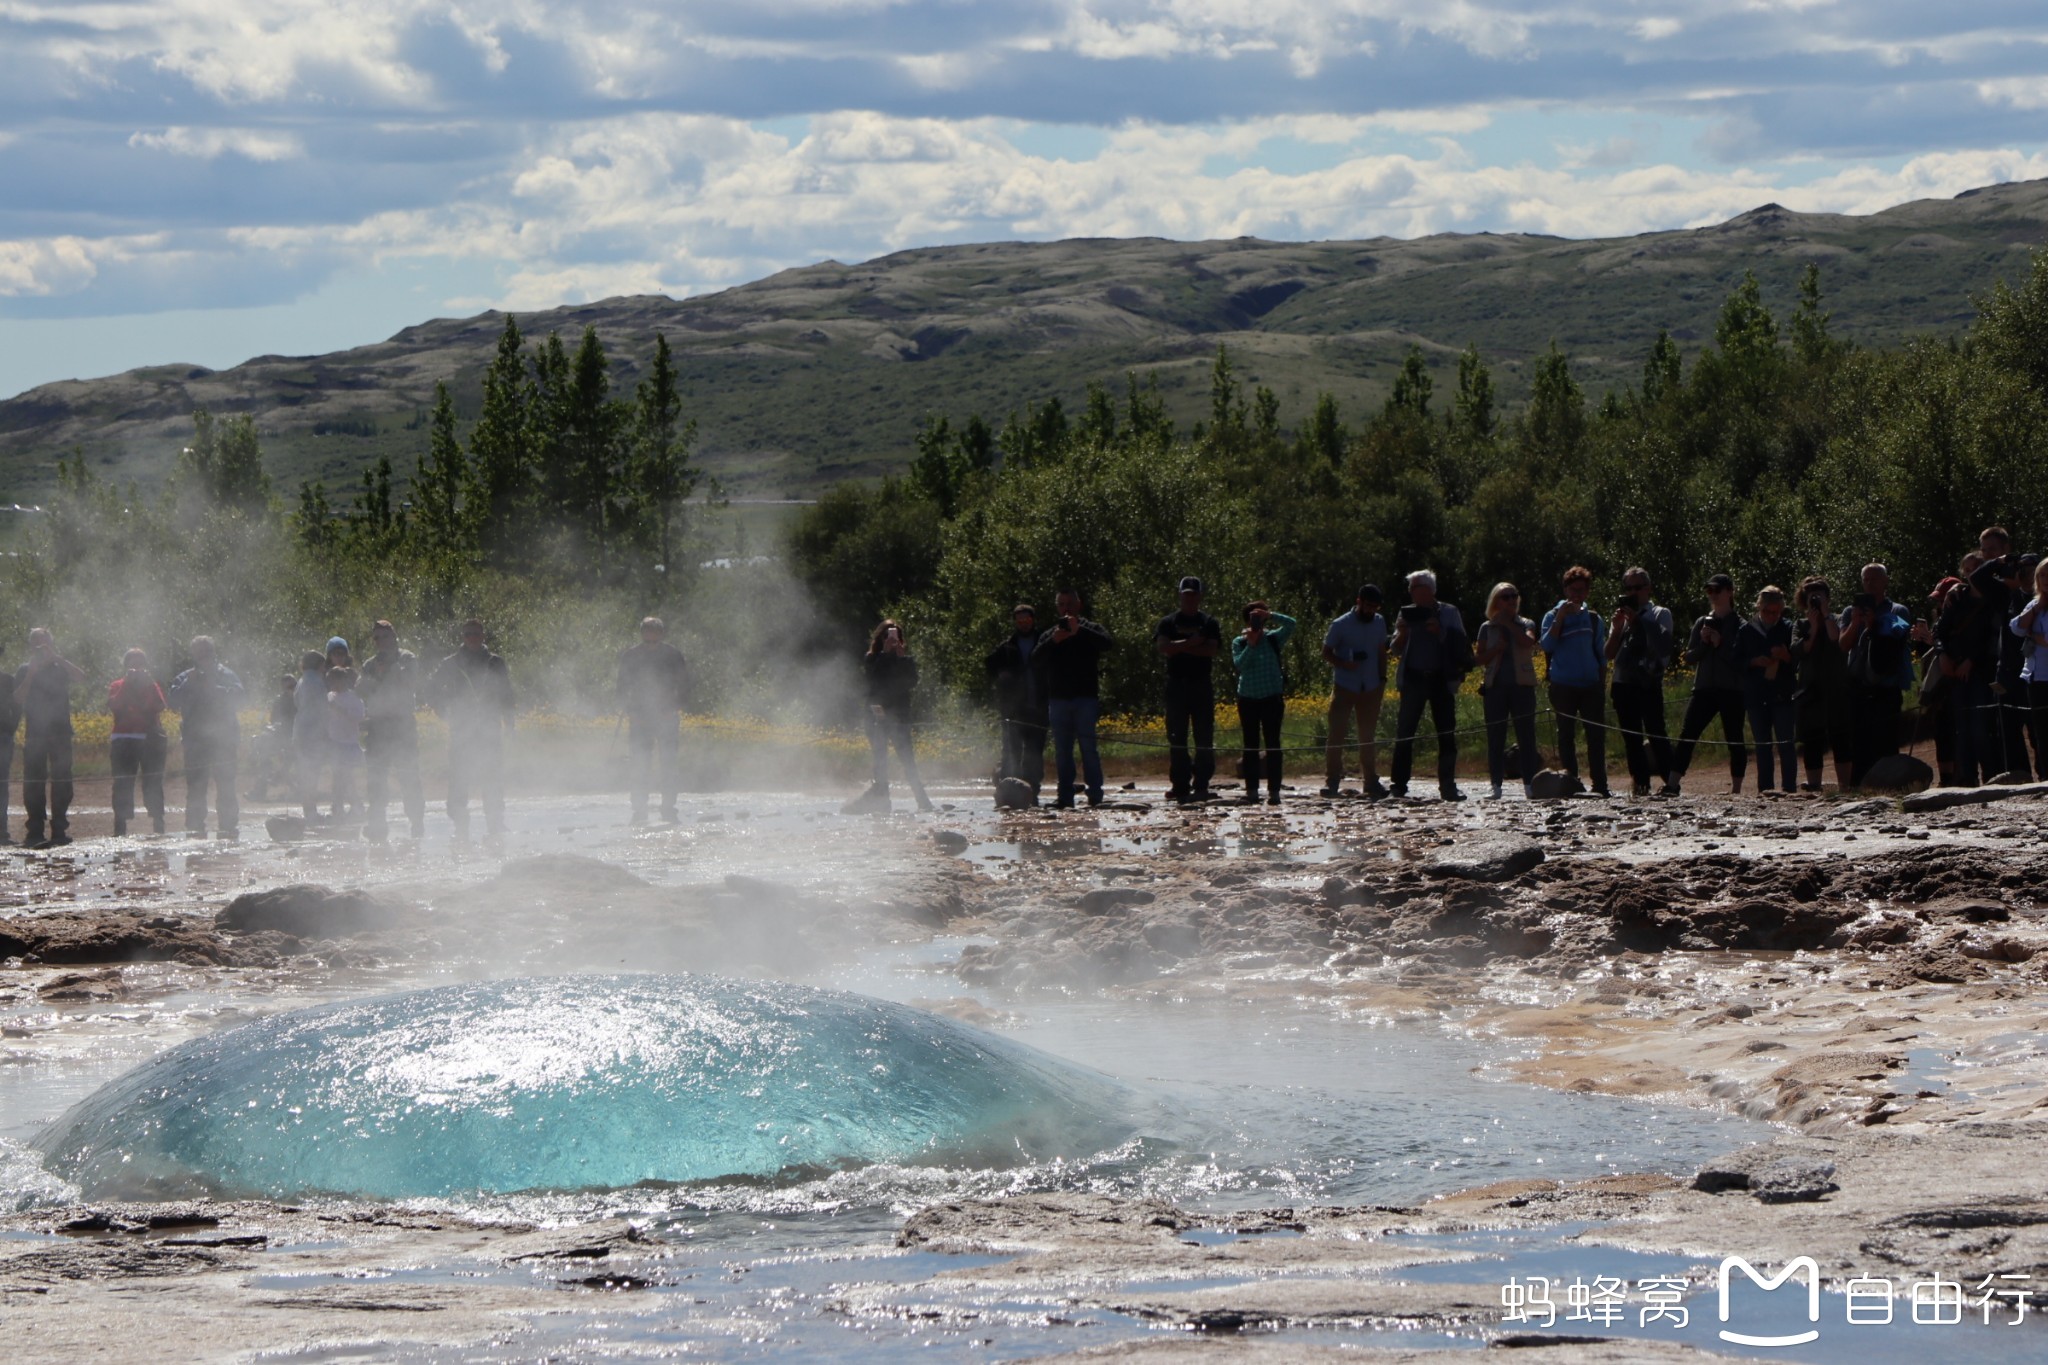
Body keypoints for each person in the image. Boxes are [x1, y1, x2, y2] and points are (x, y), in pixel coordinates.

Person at [428, 619, 515, 843]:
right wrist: (443, 712)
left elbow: (507, 694)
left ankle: (495, 823)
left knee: (492, 775)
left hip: (489, 727)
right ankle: (460, 825)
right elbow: (432, 689)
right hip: (462, 728)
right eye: (468, 635)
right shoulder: (452, 663)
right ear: (463, 637)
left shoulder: (495, 663)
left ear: (483, 636)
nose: (473, 638)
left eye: (476, 634)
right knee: (459, 776)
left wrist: (510, 723)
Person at [1387, 570, 1467, 801]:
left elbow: (1461, 645)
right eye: (1410, 588)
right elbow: (1395, 648)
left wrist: (1439, 631)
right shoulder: (1407, 613)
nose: (1411, 592)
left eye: (1415, 588)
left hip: (1441, 677)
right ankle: (1398, 786)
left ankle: (1448, 786)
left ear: (1428, 590)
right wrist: (1402, 632)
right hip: (1413, 677)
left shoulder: (1449, 612)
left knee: (1446, 732)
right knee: (1404, 732)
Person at [1031, 588, 1113, 809]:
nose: (1065, 608)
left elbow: (1107, 643)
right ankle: (1065, 797)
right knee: (1062, 751)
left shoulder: (1090, 628)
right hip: (1058, 700)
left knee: (1089, 748)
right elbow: (1035, 659)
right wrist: (1053, 642)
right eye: (1061, 604)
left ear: (1079, 605)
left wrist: (1080, 631)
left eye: (1069, 603)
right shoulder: (1051, 633)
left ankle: (1095, 795)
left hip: (1085, 698)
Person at [1669, 575, 1747, 796]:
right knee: (1687, 734)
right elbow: (1689, 657)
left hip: (1732, 690)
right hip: (1704, 689)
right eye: (1709, 590)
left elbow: (1740, 661)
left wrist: (1720, 644)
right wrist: (1704, 643)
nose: (1713, 594)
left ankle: (1737, 789)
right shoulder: (1702, 622)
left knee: (1734, 738)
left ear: (1730, 592)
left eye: (1717, 590)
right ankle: (1672, 784)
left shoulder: (1740, 625)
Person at [1839, 563, 1915, 786]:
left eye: (1875, 579)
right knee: (1859, 742)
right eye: (1866, 580)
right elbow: (1843, 645)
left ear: (1885, 582)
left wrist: (1874, 625)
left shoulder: (1897, 611)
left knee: (1886, 740)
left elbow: (1897, 641)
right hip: (1858, 685)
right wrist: (1856, 622)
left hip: (1886, 685)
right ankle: (1859, 787)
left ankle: (1889, 786)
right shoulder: (1849, 611)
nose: (1870, 584)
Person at [1539, 565, 1610, 796]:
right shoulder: (1551, 616)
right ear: (1565, 590)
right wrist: (1560, 618)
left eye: (1581, 590)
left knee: (1596, 736)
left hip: (1590, 685)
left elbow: (1601, 654)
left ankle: (1600, 785)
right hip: (1563, 685)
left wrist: (1601, 682)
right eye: (1573, 589)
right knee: (1566, 735)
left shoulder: (1593, 618)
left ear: (1587, 592)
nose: (1577, 594)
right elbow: (1546, 645)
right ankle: (1571, 783)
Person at [848, 619, 932, 814]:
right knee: (880, 759)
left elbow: (911, 682)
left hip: (899, 716)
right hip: (876, 716)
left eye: (896, 637)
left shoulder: (906, 660)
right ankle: (882, 800)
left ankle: (923, 801)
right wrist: (885, 654)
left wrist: (901, 659)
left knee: (907, 759)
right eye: (888, 637)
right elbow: (874, 680)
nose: (893, 640)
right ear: (881, 638)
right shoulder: (872, 658)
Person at [168, 635, 246, 840]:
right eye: (199, 652)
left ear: (213, 652)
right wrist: (189, 684)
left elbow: (240, 698)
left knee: (226, 785)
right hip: (196, 741)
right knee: (195, 786)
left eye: (206, 651)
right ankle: (194, 829)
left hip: (224, 739)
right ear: (193, 654)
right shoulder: (185, 677)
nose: (203, 656)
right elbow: (173, 701)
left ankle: (228, 828)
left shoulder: (227, 675)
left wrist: (215, 688)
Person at [1607, 567, 1676, 797]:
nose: (1633, 593)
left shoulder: (1659, 613)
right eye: (1628, 589)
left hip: (1647, 682)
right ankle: (1640, 784)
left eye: (1637, 588)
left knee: (1656, 731)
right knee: (1631, 736)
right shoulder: (1622, 618)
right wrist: (1617, 629)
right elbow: (1608, 653)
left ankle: (1671, 782)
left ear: (1648, 588)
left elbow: (1662, 643)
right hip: (1623, 683)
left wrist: (1638, 622)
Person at [1154, 577, 1223, 803]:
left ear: (1200, 596)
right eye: (1186, 593)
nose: (1190, 597)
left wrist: (1181, 647)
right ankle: (1180, 785)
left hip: (1201, 684)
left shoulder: (1209, 622)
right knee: (1177, 737)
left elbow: (1211, 650)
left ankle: (1201, 783)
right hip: (1176, 685)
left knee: (1204, 736)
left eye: (1194, 593)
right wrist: (1192, 643)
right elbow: (1164, 647)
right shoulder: (1168, 622)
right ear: (1180, 595)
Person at [16, 628, 85, 848]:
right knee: (33, 783)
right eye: (36, 644)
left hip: (60, 731)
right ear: (30, 647)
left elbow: (82, 678)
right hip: (35, 733)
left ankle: (59, 829)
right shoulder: (25, 669)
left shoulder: (60, 667)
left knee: (62, 781)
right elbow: (17, 698)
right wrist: (31, 674)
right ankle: (35, 829)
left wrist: (57, 658)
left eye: (44, 644)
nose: (40, 648)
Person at [616, 616, 689, 824]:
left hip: (666, 715)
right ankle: (639, 805)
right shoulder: (631, 656)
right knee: (640, 762)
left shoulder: (673, 655)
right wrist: (631, 711)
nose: (651, 642)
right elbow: (621, 687)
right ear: (642, 634)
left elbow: (684, 685)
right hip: (640, 717)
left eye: (654, 637)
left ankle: (668, 804)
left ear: (661, 635)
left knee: (668, 761)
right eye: (647, 637)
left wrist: (674, 708)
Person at [359, 621, 426, 840]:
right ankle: (377, 824)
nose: (381, 642)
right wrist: (376, 676)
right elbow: (361, 687)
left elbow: (408, 680)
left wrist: (388, 670)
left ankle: (417, 822)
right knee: (376, 777)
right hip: (378, 727)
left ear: (394, 637)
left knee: (408, 775)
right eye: (377, 638)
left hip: (401, 725)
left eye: (385, 637)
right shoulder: (370, 663)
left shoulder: (407, 658)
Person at [1321, 585, 1389, 799]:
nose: (1371, 610)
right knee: (1336, 735)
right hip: (1345, 685)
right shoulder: (1340, 624)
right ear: (1359, 601)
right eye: (1368, 605)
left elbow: (1381, 652)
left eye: (1375, 607)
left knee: (1367, 736)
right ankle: (1332, 780)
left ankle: (1370, 781)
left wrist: (1382, 679)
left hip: (1371, 686)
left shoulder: (1379, 622)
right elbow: (1326, 652)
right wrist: (1343, 663)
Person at [1475, 583, 1540, 799]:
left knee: (1526, 736)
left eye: (1514, 595)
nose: (1511, 600)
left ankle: (1530, 784)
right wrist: (1496, 649)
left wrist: (1510, 625)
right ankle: (1495, 785)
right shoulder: (1486, 628)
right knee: (1495, 736)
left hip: (1522, 686)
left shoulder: (1526, 623)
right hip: (1495, 687)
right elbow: (1479, 658)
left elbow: (1528, 642)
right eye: (1505, 597)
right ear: (1496, 601)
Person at [1230, 600, 1296, 804]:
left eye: (1259, 617)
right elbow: (1240, 664)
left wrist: (1271, 615)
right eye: (1253, 618)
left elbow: (1292, 624)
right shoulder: (1239, 642)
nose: (1256, 621)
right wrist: (1251, 643)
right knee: (1250, 745)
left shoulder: (1273, 638)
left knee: (1273, 744)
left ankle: (1274, 791)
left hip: (1271, 698)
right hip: (1248, 699)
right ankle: (1251, 791)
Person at [1792, 577, 1852, 791]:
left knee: (1840, 736)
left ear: (1828, 598)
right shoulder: (1800, 624)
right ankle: (1814, 784)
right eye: (1811, 597)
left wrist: (1825, 617)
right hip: (1810, 688)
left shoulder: (1838, 618)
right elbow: (1801, 650)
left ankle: (1845, 785)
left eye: (1819, 596)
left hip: (1836, 686)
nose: (1815, 600)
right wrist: (1814, 626)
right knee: (1812, 739)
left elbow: (1836, 638)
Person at [1738, 587, 1798, 793]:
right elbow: (1736, 661)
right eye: (1768, 612)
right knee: (1762, 745)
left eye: (1776, 612)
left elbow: (1798, 660)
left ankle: (1789, 788)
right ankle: (1766, 789)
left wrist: (1786, 656)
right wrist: (1754, 661)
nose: (1772, 616)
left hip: (1782, 693)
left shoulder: (1789, 628)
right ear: (1759, 609)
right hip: (1756, 695)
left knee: (1786, 743)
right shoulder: (1746, 630)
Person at [985, 604, 1047, 805]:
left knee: (1034, 753)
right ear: (1015, 622)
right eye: (1019, 620)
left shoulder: (1044, 642)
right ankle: (1008, 795)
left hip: (1038, 706)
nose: (1023, 623)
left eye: (1026, 619)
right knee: (1011, 752)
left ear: (1033, 619)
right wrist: (1003, 676)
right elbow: (988, 665)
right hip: (1013, 709)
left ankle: (1032, 794)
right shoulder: (1007, 646)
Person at [107, 648, 168, 837]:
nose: (136, 667)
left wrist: (149, 684)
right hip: (124, 738)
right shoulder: (117, 684)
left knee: (153, 780)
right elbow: (114, 705)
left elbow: (160, 706)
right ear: (126, 667)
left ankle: (158, 822)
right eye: (132, 664)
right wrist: (127, 684)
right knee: (122, 782)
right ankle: (120, 825)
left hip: (150, 738)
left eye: (140, 664)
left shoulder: (151, 684)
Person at [2010, 559, 2048, 775]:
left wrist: (2032, 634)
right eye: (2042, 575)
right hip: (2035, 677)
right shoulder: (2034, 604)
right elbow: (2016, 627)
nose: (2046, 580)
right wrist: (2034, 612)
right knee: (2040, 732)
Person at [244, 672, 299, 802]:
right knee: (264, 752)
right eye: (287, 687)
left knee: (294, 758)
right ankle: (260, 790)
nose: (290, 690)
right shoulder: (279, 700)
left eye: (292, 686)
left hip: (298, 737)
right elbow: (274, 720)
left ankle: (295, 785)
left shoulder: (301, 699)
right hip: (282, 736)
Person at [325, 665, 366, 821]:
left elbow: (358, 719)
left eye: (335, 680)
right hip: (334, 743)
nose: (333, 684)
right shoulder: (329, 696)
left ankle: (355, 806)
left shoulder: (354, 699)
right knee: (337, 777)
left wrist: (339, 710)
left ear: (343, 680)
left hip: (348, 743)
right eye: (331, 681)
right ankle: (338, 808)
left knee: (346, 777)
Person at [292, 650, 329, 819]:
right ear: (320, 665)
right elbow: (323, 706)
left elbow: (297, 702)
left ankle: (308, 810)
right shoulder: (317, 681)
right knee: (312, 772)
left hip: (300, 728)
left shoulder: (302, 680)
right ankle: (311, 811)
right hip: (313, 730)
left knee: (305, 771)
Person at [0, 644, 16, 844]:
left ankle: (2, 832)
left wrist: (11, 728)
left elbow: (16, 706)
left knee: (1, 784)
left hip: (2, 735)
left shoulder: (7, 681)